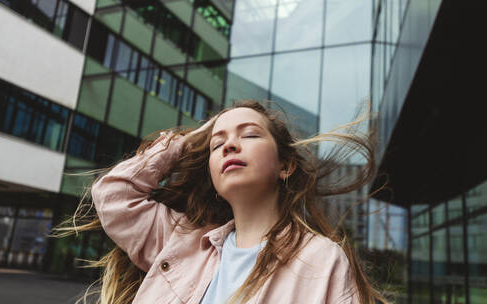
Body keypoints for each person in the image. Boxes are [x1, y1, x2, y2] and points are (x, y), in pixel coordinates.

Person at [59, 100, 388, 304]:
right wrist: (183, 144)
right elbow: (112, 196)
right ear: (214, 180)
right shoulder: (182, 242)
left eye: (249, 135)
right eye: (218, 144)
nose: (230, 145)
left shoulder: (321, 260)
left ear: (285, 166)